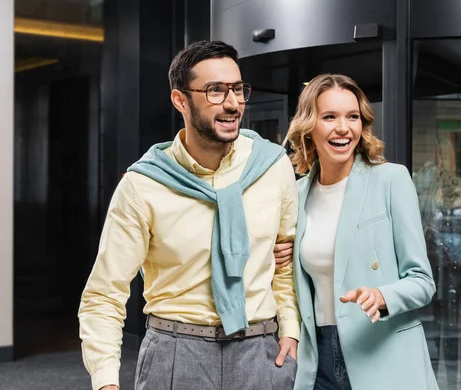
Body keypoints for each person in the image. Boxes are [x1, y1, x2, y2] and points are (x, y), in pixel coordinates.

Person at [78, 40, 300, 390]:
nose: (232, 103)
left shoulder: (273, 167)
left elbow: (285, 264)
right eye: (215, 90)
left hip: (261, 353)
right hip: (176, 352)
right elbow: (105, 293)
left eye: (238, 90)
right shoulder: (143, 184)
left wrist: (291, 332)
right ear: (180, 100)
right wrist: (106, 381)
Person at [283, 73, 439, 389]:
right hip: (318, 358)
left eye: (352, 117)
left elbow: (423, 282)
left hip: (382, 352)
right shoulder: (296, 195)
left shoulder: (391, 180)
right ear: (309, 127)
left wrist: (382, 295)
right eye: (330, 117)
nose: (344, 128)